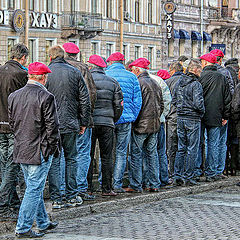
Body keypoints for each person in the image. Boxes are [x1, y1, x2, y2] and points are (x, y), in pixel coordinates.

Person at [8, 62, 60, 238]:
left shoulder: (14, 96)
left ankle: (43, 222)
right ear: (43, 77)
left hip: (22, 147)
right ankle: (23, 227)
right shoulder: (46, 96)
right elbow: (52, 127)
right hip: (39, 149)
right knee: (34, 189)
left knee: (32, 186)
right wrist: (51, 148)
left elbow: (13, 123)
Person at [46, 45, 91, 209]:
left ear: (50, 57)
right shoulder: (74, 72)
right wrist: (84, 122)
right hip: (71, 124)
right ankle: (72, 195)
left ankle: (57, 198)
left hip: (52, 125)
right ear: (63, 56)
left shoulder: (47, 74)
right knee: (72, 158)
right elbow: (85, 100)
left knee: (55, 161)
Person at [63, 42, 97, 201]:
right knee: (82, 153)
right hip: (81, 119)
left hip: (61, 120)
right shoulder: (83, 68)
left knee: (63, 154)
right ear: (77, 55)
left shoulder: (54, 68)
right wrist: (85, 118)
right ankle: (80, 187)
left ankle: (63, 188)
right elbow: (90, 95)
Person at [125, 58, 164, 193]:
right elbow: (161, 105)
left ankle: (136, 184)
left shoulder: (138, 82)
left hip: (141, 125)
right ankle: (153, 183)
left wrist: (134, 121)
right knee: (152, 155)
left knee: (136, 155)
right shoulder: (155, 82)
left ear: (137, 70)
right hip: (154, 125)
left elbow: (136, 105)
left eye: (132, 70)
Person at [105, 52, 142, 193]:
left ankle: (105, 181)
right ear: (122, 62)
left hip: (109, 118)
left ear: (110, 62)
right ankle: (117, 183)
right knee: (121, 152)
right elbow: (138, 101)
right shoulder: (132, 76)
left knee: (106, 152)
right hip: (126, 119)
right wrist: (132, 116)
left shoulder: (106, 74)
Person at [87, 54, 123, 196]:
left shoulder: (87, 80)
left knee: (88, 155)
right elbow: (119, 105)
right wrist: (112, 119)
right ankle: (107, 188)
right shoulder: (112, 82)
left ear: (91, 67)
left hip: (91, 123)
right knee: (107, 156)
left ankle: (88, 188)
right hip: (107, 122)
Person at [0, 44, 29, 220]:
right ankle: (3, 204)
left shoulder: (1, 70)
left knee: (4, 164)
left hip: (0, 125)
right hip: (14, 125)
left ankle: (12, 200)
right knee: (12, 165)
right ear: (23, 57)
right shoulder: (21, 74)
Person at [199, 53, 231, 182]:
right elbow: (227, 98)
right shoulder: (221, 77)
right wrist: (225, 115)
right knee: (214, 144)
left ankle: (200, 170)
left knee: (202, 144)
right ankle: (212, 171)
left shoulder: (200, 76)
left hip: (201, 115)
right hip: (216, 115)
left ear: (206, 63)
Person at [172, 59, 205, 185]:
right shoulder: (196, 84)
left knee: (181, 148)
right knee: (192, 148)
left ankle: (177, 175)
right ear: (196, 70)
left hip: (180, 117)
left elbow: (174, 100)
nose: (201, 72)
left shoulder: (180, 82)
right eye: (200, 70)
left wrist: (181, 109)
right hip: (192, 118)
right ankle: (189, 176)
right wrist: (201, 112)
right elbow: (198, 103)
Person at [210, 49, 233, 178]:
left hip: (209, 113)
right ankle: (218, 170)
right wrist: (226, 114)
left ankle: (210, 169)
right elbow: (230, 94)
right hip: (222, 112)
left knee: (209, 142)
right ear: (220, 60)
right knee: (220, 142)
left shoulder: (205, 73)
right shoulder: (225, 73)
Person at [148, 72, 172, 187]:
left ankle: (149, 180)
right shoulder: (158, 81)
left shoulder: (139, 80)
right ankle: (163, 178)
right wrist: (162, 116)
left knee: (147, 152)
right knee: (160, 151)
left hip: (145, 122)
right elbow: (167, 101)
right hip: (159, 120)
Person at [165, 62, 185, 177]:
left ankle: (172, 171)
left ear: (172, 70)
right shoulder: (187, 80)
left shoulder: (168, 82)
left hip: (172, 117)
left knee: (172, 145)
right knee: (183, 145)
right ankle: (182, 171)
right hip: (186, 116)